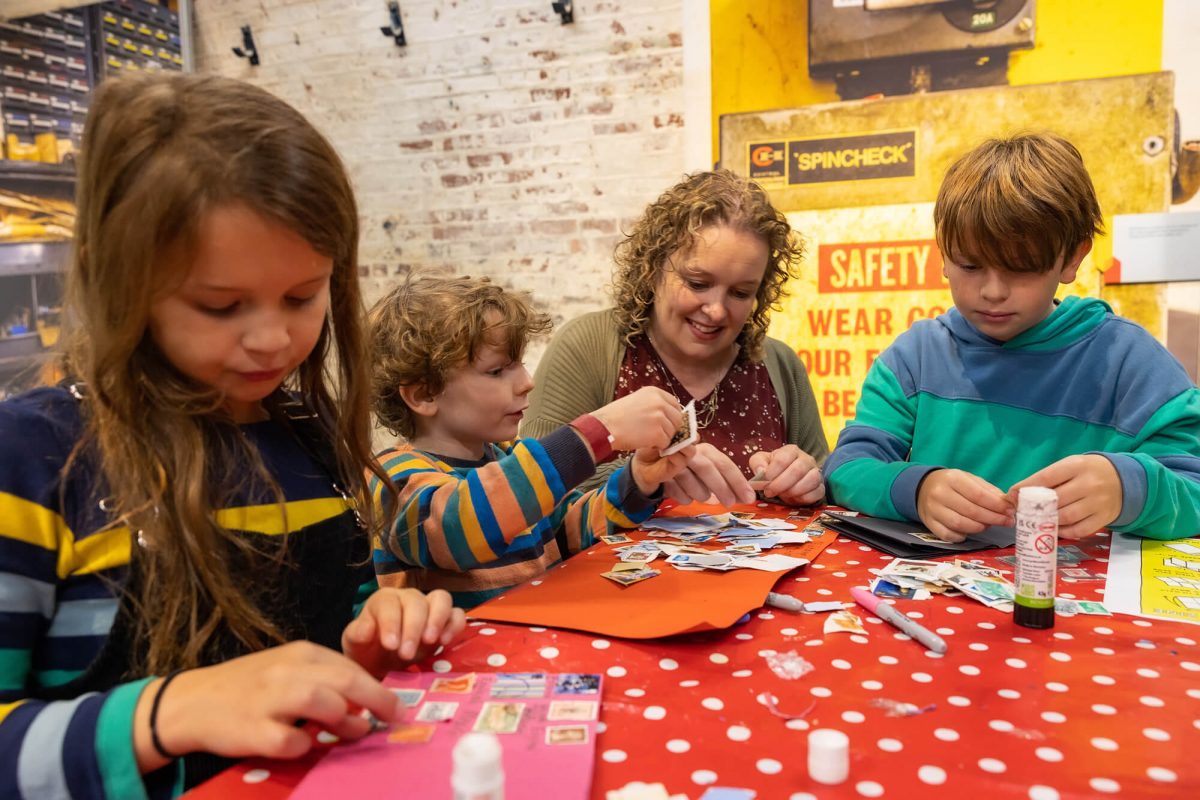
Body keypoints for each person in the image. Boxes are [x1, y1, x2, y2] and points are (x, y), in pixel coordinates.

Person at [0, 73, 466, 799]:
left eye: (303, 296)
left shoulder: (310, 437)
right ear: (115, 279)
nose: (274, 339)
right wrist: (167, 713)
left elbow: (327, 638)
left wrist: (367, 639)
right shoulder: (30, 460)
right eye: (220, 305)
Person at [825, 133, 1200, 542]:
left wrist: (1130, 489)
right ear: (944, 255)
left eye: (1021, 269)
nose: (992, 291)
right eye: (970, 265)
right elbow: (847, 467)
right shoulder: (915, 359)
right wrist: (916, 489)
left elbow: (1193, 490)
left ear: (1072, 258)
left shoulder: (1131, 363)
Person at [368, 275, 692, 608]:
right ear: (424, 394)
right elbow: (457, 527)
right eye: (497, 371)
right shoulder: (393, 477)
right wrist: (599, 431)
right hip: (462, 658)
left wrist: (639, 480)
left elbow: (572, 529)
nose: (527, 382)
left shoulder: (507, 457)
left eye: (519, 364)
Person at [522, 170, 828, 507]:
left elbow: (823, 481)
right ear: (652, 269)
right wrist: (646, 478)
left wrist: (808, 481)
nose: (715, 310)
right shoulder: (587, 348)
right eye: (697, 283)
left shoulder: (780, 366)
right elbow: (532, 489)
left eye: (741, 293)